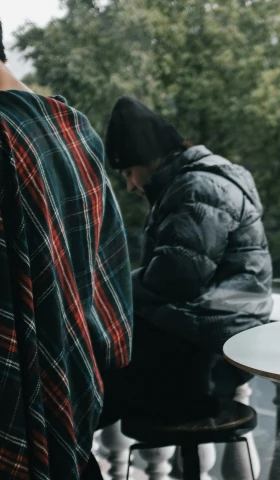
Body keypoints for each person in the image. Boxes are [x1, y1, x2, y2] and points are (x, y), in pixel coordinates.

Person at [0, 21, 133, 480]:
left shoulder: (6, 135)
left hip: (18, 409)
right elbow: (107, 273)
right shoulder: (73, 127)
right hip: (76, 392)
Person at [101, 96, 273, 424]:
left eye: (128, 171)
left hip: (214, 346)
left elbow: (177, 277)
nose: (130, 184)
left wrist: (110, 288)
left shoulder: (197, 188)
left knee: (96, 377)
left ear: (146, 157)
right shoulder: (196, 181)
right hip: (214, 332)